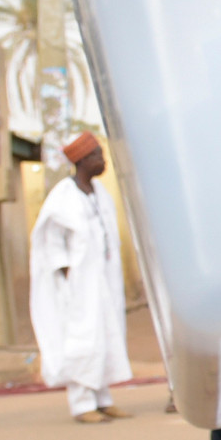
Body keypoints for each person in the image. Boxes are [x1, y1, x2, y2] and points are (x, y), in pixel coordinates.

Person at [29, 131, 132, 423]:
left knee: (106, 335)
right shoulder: (63, 196)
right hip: (79, 285)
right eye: (98, 155)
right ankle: (81, 403)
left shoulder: (100, 194)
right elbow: (50, 239)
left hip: (104, 280)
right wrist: (68, 273)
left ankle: (103, 398)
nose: (103, 161)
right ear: (83, 160)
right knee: (82, 339)